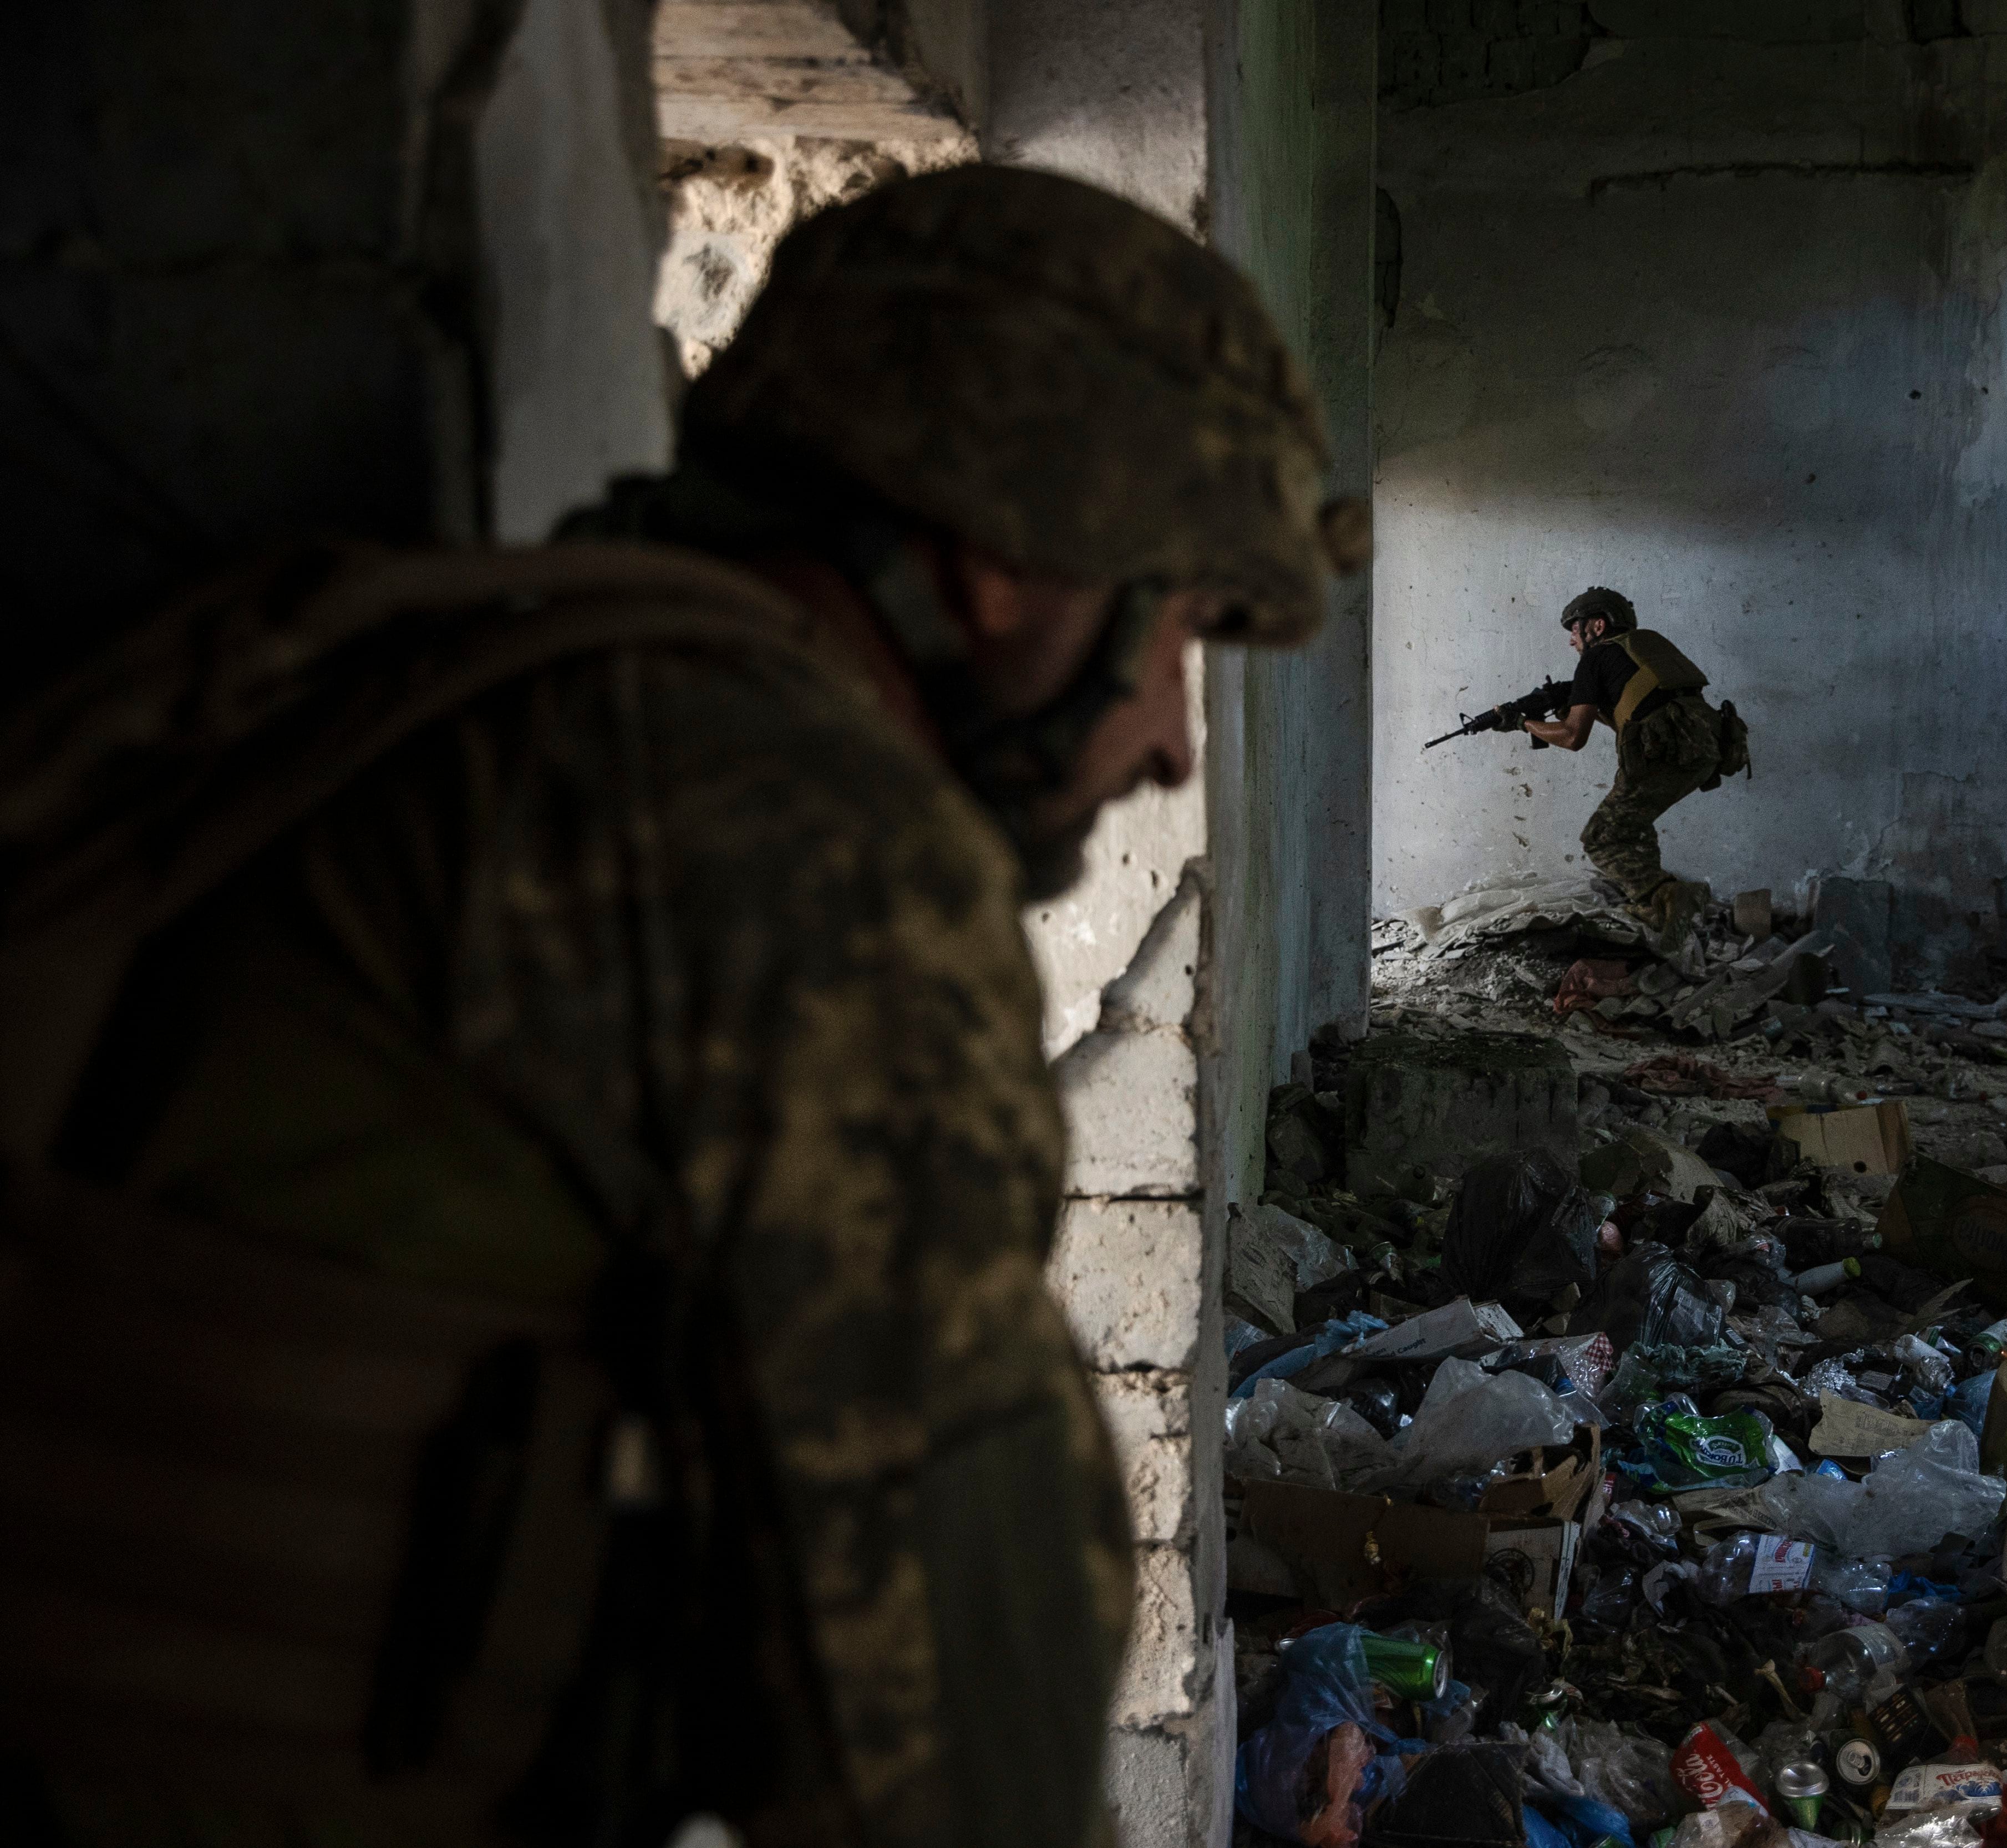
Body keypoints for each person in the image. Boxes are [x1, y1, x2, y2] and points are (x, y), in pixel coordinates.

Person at [0, 166, 1364, 1848]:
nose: (1168, 736)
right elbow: (947, 1745)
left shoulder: (466, 677)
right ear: (1010, 559)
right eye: (1180, 634)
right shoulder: (802, 845)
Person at [1521, 586, 1744, 949]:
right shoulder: (1646, 649)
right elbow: (1637, 712)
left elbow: (1574, 736)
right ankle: (1656, 906)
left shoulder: (1595, 660)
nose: (1572, 643)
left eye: (1574, 632)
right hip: (1707, 748)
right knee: (1632, 824)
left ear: (1596, 625)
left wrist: (1524, 724)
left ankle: (1671, 896)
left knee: (1601, 836)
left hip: (1667, 752)